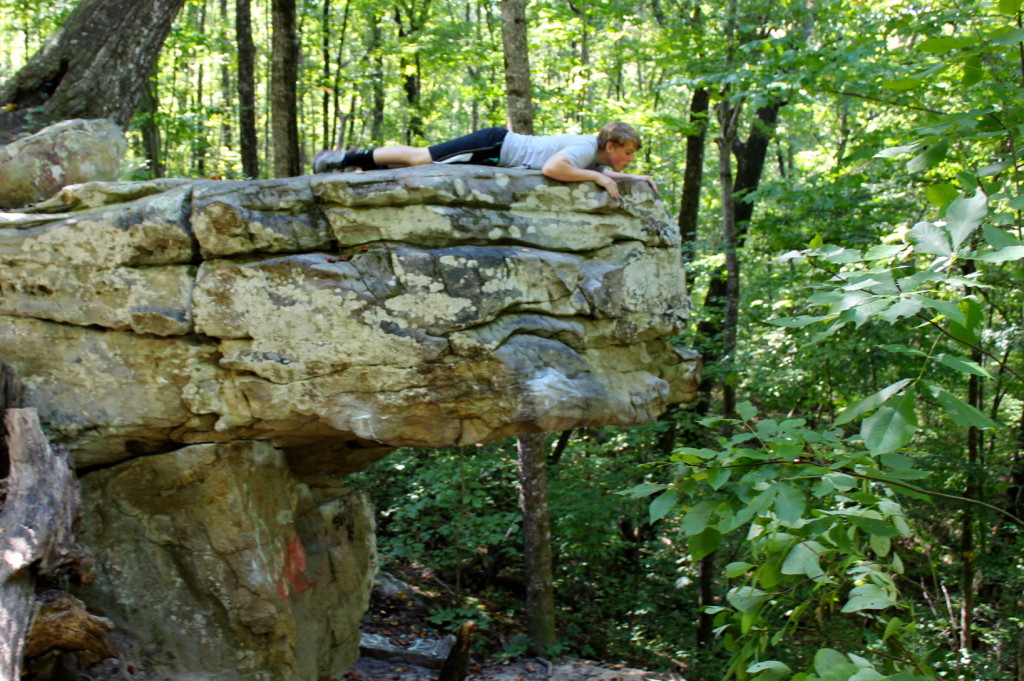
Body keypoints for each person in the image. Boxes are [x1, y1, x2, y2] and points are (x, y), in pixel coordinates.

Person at [313, 121, 656, 199]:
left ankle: (362, 167)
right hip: (494, 146)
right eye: (627, 154)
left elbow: (577, 170)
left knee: (428, 163)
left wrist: (633, 179)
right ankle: (346, 157)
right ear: (610, 146)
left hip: (495, 155)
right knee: (422, 158)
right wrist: (599, 179)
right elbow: (554, 169)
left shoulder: (593, 157)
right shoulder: (584, 147)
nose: (628, 160)